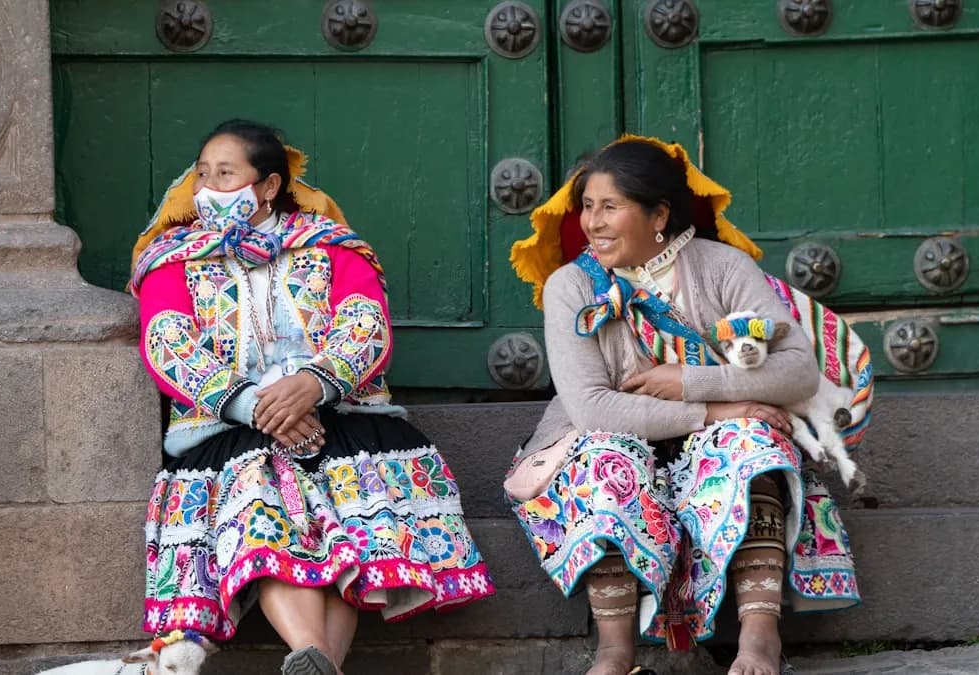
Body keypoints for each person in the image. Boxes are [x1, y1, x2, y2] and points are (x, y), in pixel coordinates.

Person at [130, 119, 495, 675]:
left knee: (340, 528)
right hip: (228, 432)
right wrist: (255, 405)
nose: (207, 186)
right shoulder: (173, 261)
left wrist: (312, 385)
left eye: (225, 174)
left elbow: (365, 326)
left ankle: (313, 662)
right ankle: (322, 661)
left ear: (269, 185)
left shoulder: (331, 250)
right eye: (202, 173)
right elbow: (168, 344)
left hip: (335, 417)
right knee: (262, 504)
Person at [505, 136, 865, 675]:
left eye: (611, 207)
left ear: (659, 214)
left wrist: (690, 380)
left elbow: (797, 372)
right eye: (587, 206)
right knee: (606, 457)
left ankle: (760, 640)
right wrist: (718, 409)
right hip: (619, 439)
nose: (592, 223)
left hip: (711, 450)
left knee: (751, 441)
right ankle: (614, 652)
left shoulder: (723, 268)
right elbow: (592, 408)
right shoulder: (572, 286)